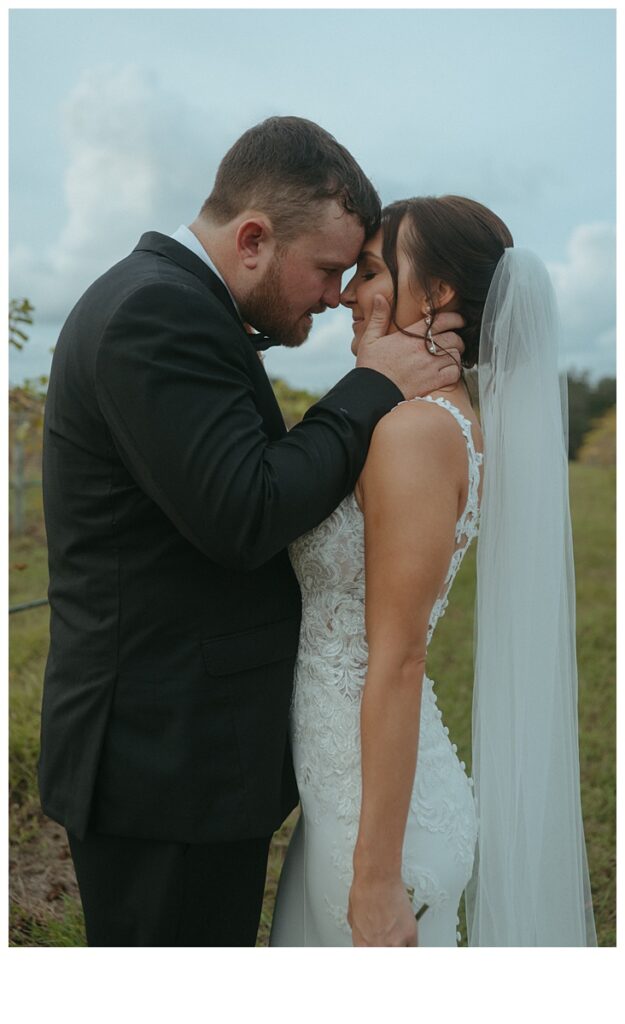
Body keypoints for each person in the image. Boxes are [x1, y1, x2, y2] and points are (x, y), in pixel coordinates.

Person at [38, 117, 464, 947]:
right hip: (158, 766)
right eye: (330, 268)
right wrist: (370, 385)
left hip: (184, 756)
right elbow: (245, 512)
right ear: (254, 239)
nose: (340, 293)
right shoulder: (154, 314)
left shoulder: (173, 302)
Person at [270, 195, 596, 947]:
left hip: (377, 821)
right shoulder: (420, 417)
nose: (349, 293)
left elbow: (400, 656)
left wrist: (377, 875)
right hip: (344, 792)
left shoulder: (417, 433)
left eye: (374, 271)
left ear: (439, 293)